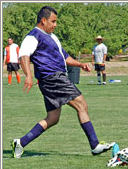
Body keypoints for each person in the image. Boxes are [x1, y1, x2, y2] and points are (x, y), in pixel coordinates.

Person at [11, 6, 114, 158]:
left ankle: (21, 142)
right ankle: (95, 145)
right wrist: (28, 75)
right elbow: (24, 56)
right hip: (53, 78)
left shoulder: (52, 37)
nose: (55, 25)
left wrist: (80, 64)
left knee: (53, 118)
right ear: (43, 20)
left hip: (53, 79)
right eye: (53, 21)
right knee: (82, 105)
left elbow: (65, 57)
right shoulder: (33, 36)